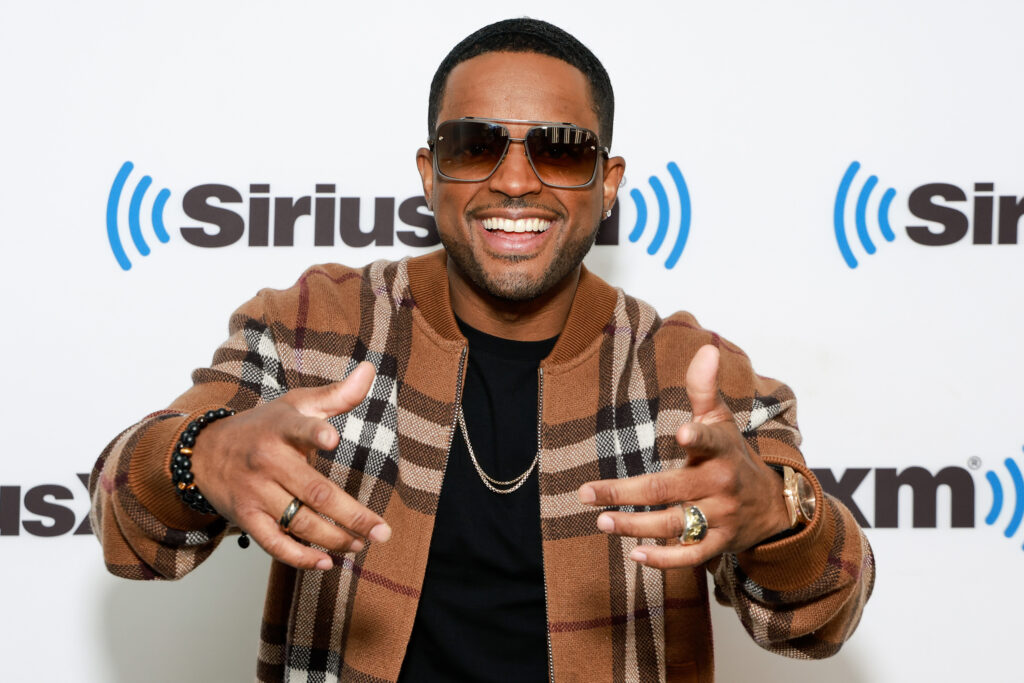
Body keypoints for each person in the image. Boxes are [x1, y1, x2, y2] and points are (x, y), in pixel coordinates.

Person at [90, 17, 874, 683]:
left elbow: (819, 619)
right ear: (431, 176)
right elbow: (128, 529)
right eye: (475, 146)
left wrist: (776, 514)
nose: (515, 181)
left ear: (608, 182)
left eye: (561, 151)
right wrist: (203, 455)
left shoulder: (687, 375)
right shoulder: (313, 328)